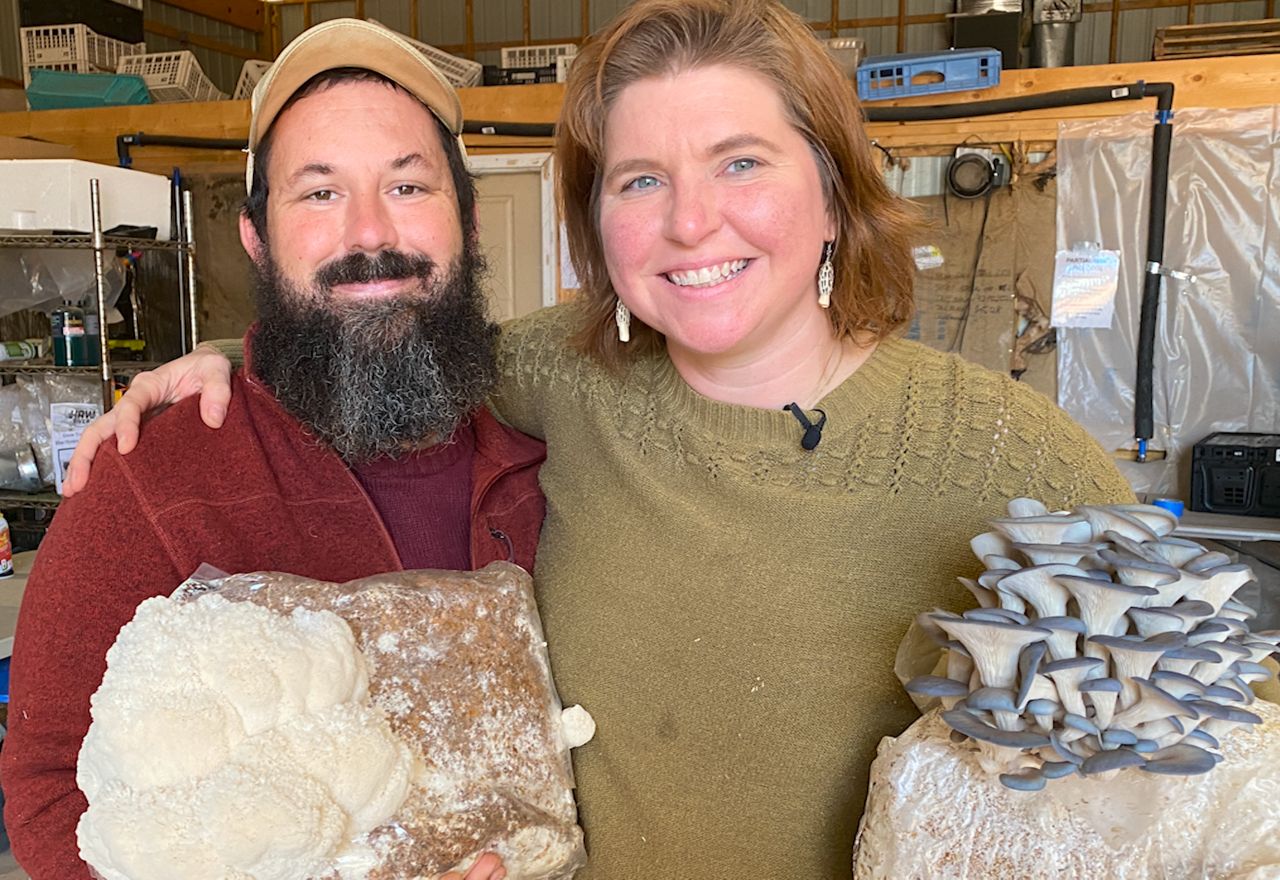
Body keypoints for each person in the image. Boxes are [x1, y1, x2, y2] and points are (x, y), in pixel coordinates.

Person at [61, 1, 1134, 876]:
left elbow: (1215, 786)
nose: (689, 221)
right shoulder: (558, 380)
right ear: (599, 228)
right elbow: (367, 321)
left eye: (742, 162)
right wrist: (212, 361)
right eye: (639, 180)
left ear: (833, 193)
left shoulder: (1007, 459)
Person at [0, 19, 545, 880]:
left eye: (408, 187)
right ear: (257, 238)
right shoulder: (148, 479)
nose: (370, 233)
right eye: (319, 194)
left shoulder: (557, 438)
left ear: (468, 223)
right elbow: (49, 792)